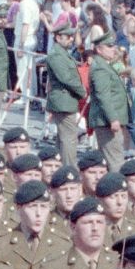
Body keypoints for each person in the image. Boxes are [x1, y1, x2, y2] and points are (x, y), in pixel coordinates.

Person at [87, 31, 131, 174]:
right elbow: (103, 96)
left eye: (113, 46)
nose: (114, 49)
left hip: (107, 120)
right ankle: (117, 191)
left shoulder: (103, 64)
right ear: (99, 49)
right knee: (115, 161)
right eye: (109, 46)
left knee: (108, 160)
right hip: (107, 121)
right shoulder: (100, 67)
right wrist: (113, 119)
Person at [44, 23, 86, 167]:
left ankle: (58, 167)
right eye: (68, 37)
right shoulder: (56, 55)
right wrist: (82, 92)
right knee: (69, 138)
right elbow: (66, 78)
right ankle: (70, 170)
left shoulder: (62, 54)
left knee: (63, 138)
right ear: (57, 37)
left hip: (66, 99)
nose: (71, 39)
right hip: (63, 100)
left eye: (71, 36)